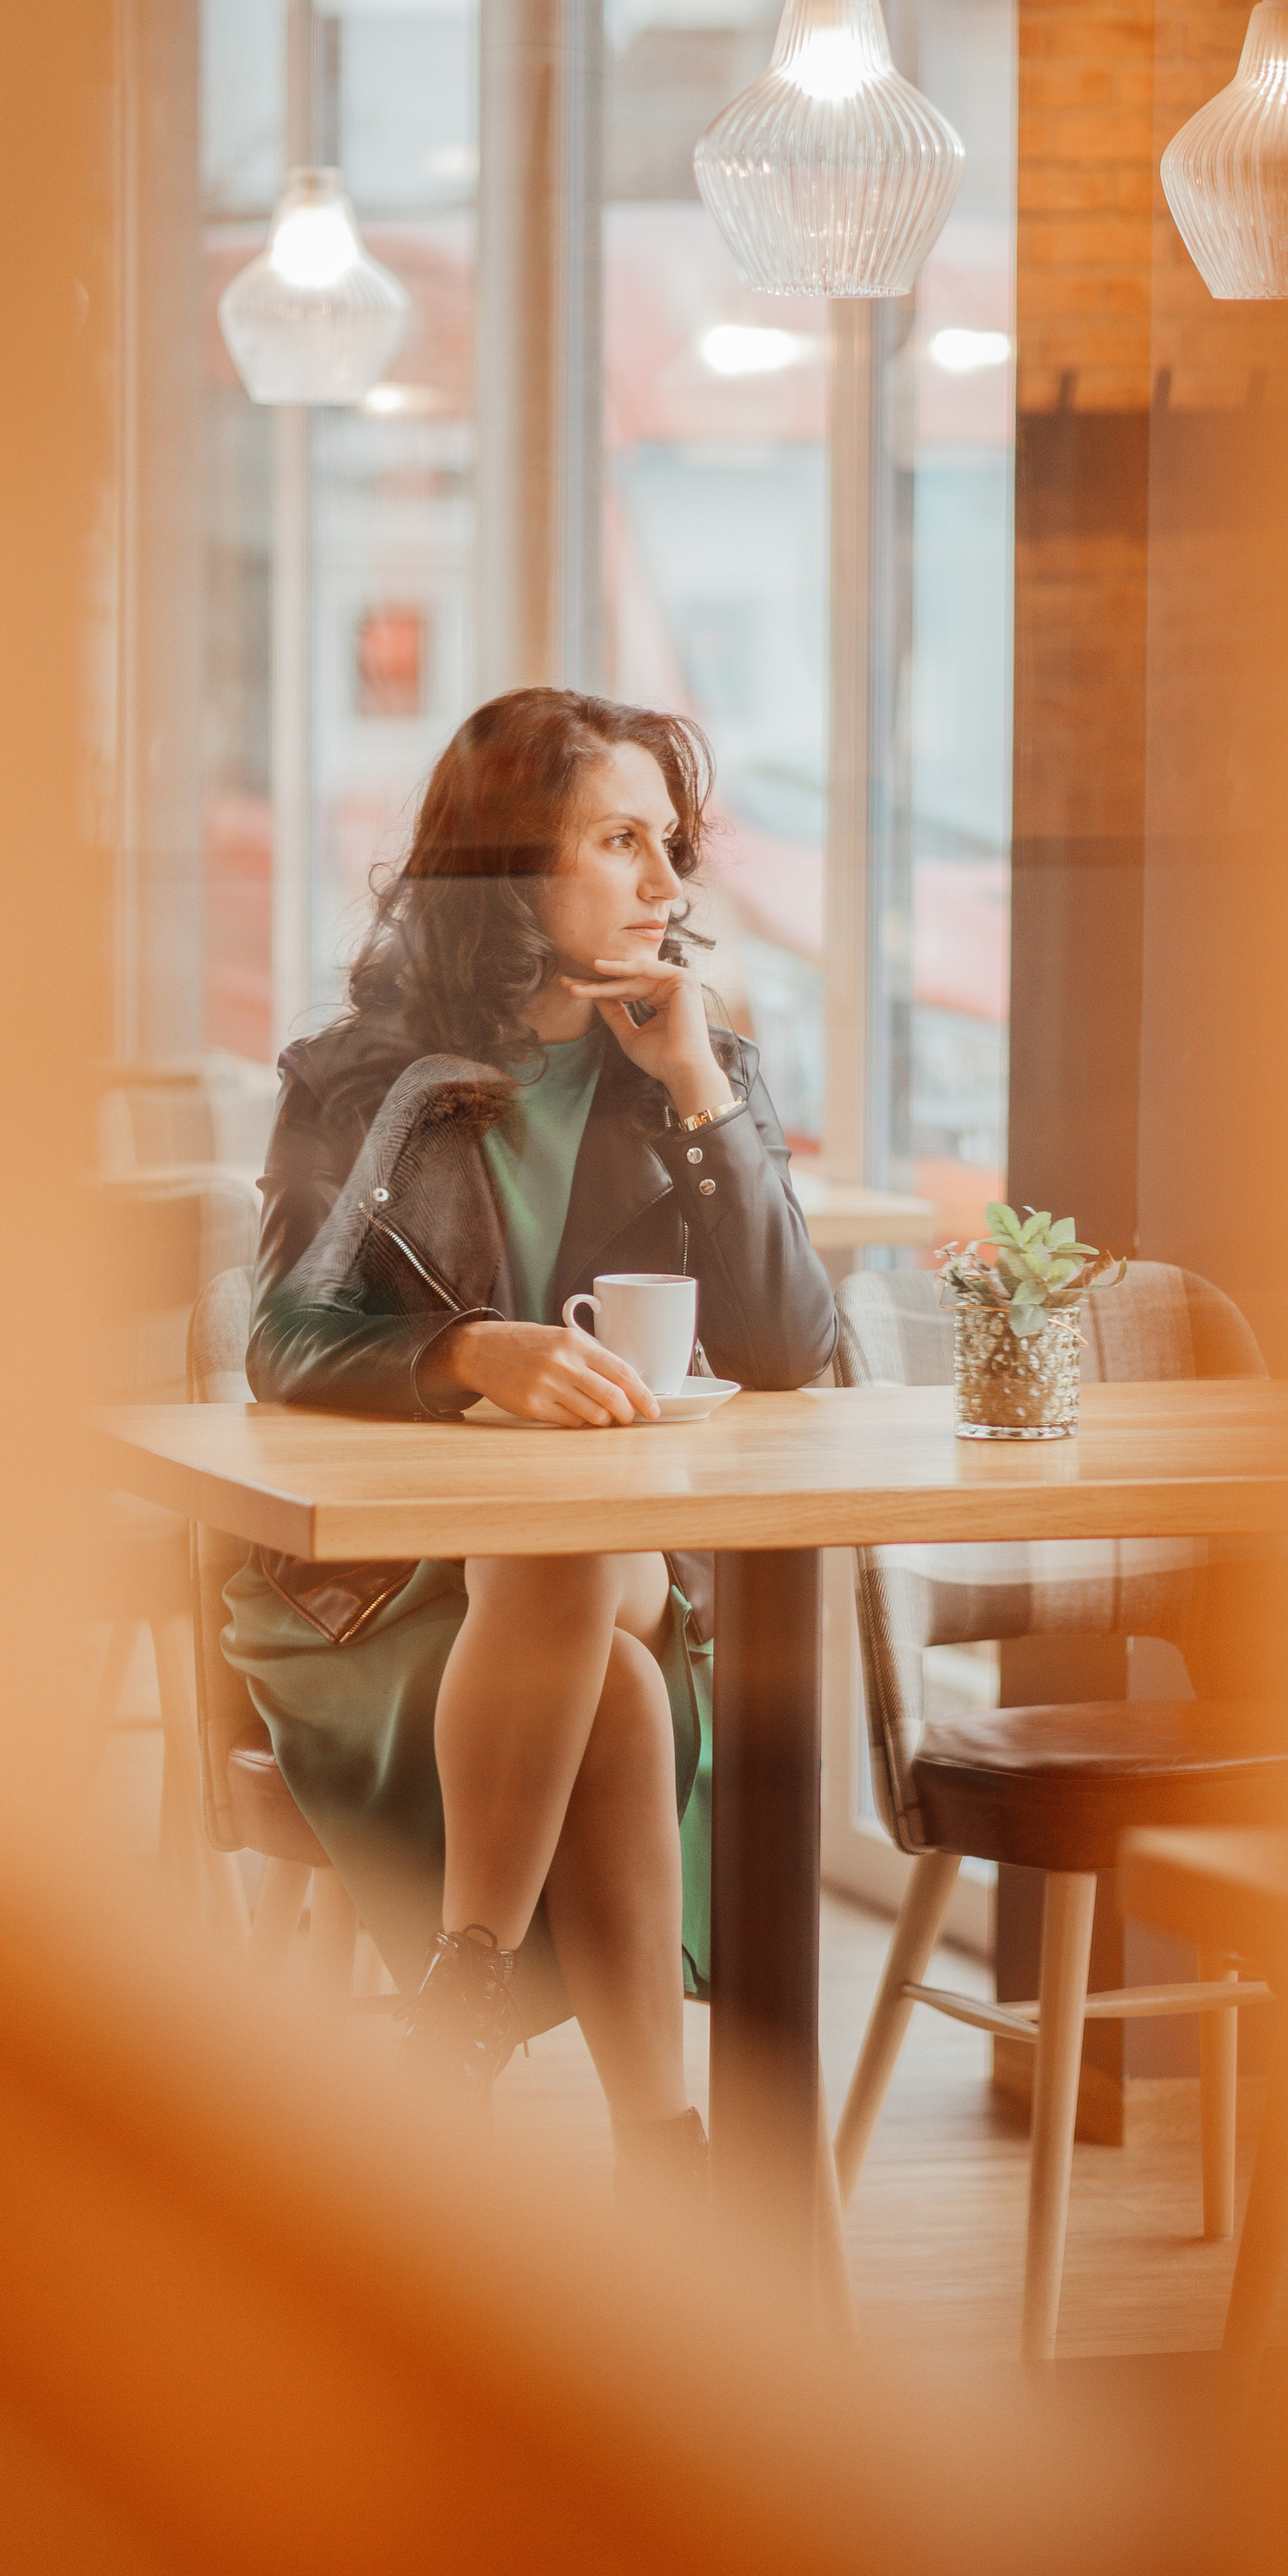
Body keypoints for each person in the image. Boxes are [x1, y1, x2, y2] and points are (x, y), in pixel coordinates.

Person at [224, 686, 837, 2198]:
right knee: (609, 1675)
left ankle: (459, 2009)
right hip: (378, 1605)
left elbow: (785, 1349)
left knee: (575, 1565)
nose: (666, 884)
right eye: (620, 841)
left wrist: (696, 1087)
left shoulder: (698, 1072)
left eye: (670, 845)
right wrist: (463, 1352)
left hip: (597, 1580)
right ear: (508, 864)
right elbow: (281, 1345)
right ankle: (666, 2162)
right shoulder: (363, 1082)